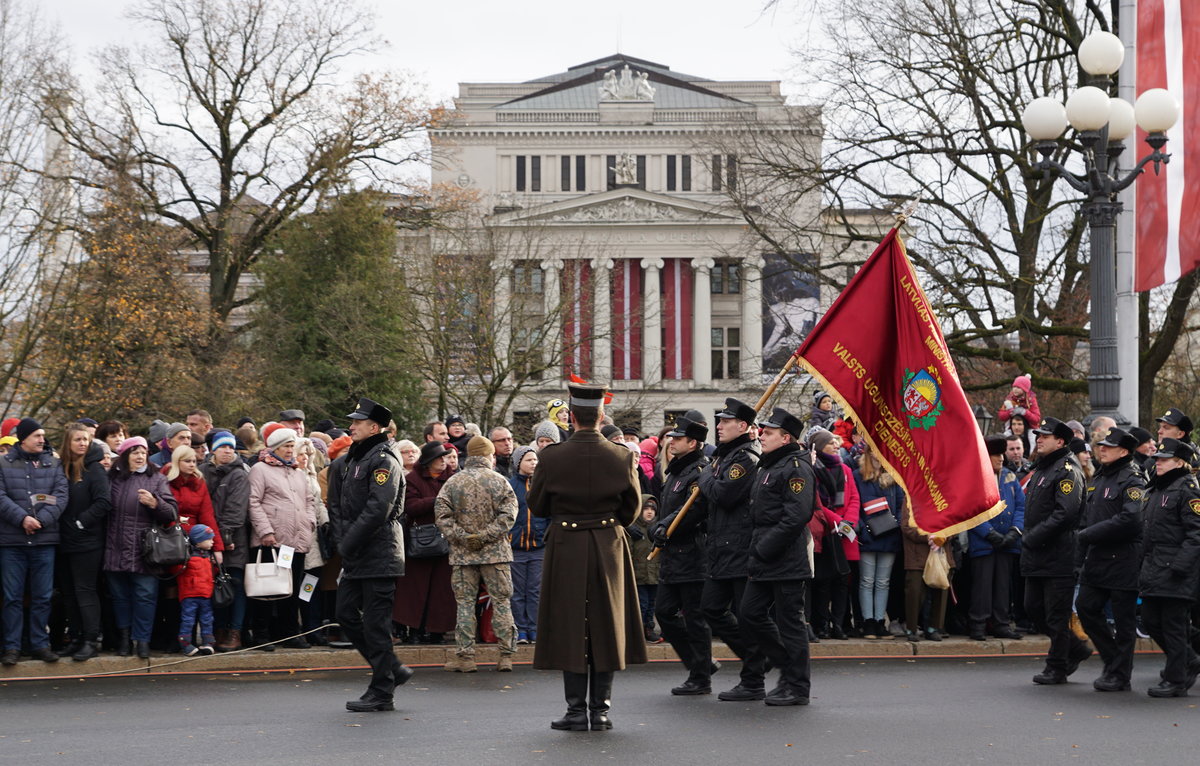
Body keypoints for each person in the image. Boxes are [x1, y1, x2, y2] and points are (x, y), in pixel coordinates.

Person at [529, 382, 645, 732]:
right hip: (609, 543)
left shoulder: (550, 457)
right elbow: (633, 508)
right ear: (600, 416)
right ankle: (601, 711)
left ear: (572, 418)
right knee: (607, 624)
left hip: (567, 543)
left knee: (569, 623)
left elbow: (537, 504)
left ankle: (576, 711)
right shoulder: (622, 455)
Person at [329, 397, 412, 712]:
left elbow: (379, 509)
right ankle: (391, 668)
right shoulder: (356, 457)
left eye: (357, 423)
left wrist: (348, 542)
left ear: (374, 427)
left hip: (379, 553)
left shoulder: (384, 459)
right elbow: (338, 505)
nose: (351, 427)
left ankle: (382, 691)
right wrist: (343, 541)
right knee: (345, 614)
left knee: (376, 625)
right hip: (357, 554)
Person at [739, 406, 817, 706]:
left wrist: (764, 547)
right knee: (750, 613)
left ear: (786, 438)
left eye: (769, 432)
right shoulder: (769, 465)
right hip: (764, 555)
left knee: (790, 623)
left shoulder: (796, 468)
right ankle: (786, 664)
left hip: (785, 557)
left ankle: (797, 686)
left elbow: (796, 516)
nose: (762, 435)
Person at [697, 397, 769, 700]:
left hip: (739, 548)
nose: (719, 426)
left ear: (743, 426)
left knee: (746, 615)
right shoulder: (725, 457)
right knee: (712, 608)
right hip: (721, 547)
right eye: (719, 420)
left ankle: (753, 679)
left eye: (726, 422)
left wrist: (704, 477)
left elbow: (725, 494)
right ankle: (758, 658)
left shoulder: (746, 458)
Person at [435, 436, 519, 672]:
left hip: (463, 555)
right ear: (489, 456)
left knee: (464, 604)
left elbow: (442, 517)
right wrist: (485, 536)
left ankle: (466, 657)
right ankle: (505, 656)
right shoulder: (500, 482)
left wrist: (464, 537)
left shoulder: (452, 483)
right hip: (496, 554)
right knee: (502, 602)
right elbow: (508, 516)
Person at [1075, 427, 1145, 692]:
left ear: (1124, 451)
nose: (1101, 449)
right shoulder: (1100, 476)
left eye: (1108, 446)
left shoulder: (1132, 479)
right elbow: (1087, 516)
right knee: (1086, 607)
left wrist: (1089, 535)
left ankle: (1120, 674)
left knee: (1124, 621)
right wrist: (1080, 551)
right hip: (1097, 558)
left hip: (1123, 558)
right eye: (1101, 445)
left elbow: (1131, 519)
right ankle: (1113, 660)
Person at [1022, 417, 1091, 685]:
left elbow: (1065, 513)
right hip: (1037, 553)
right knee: (1033, 609)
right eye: (1038, 435)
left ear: (1060, 441)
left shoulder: (1067, 470)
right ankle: (1076, 647)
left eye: (1045, 436)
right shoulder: (1043, 468)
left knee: (1056, 614)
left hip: (1059, 554)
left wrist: (1035, 536)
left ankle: (1058, 665)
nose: (1038, 439)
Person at [650, 413, 714, 696]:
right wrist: (658, 527)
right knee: (664, 612)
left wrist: (664, 526)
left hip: (692, 554)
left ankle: (700, 677)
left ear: (694, 442)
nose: (671, 442)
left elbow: (694, 510)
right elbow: (668, 511)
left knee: (695, 618)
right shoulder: (675, 470)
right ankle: (699, 663)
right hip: (672, 555)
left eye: (678, 438)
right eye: (671, 437)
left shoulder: (701, 471)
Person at [0, 418, 70, 665]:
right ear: (23, 438)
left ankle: (40, 644)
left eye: (43, 435)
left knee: (43, 596)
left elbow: (61, 496)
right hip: (12, 542)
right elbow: (1, 496)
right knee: (12, 598)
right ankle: (12, 647)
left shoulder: (53, 463)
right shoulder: (3, 463)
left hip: (44, 541)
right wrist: (23, 519)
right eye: (37, 436)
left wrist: (40, 520)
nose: (42, 440)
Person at [1135, 438, 1200, 697]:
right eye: (1158, 458)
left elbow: (1196, 533)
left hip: (1176, 571)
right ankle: (1189, 659)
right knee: (1151, 620)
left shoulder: (1187, 489)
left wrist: (1180, 567)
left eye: (1165, 459)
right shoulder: (1159, 488)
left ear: (1180, 462)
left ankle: (1175, 680)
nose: (1158, 463)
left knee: (1173, 625)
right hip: (1155, 567)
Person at [104, 436, 178, 659]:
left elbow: (171, 512)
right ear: (125, 455)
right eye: (134, 452)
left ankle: (143, 641)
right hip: (114, 546)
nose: (139, 456)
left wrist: (156, 503)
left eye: (143, 452)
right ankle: (125, 640)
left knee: (145, 597)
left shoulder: (156, 478)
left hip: (145, 550)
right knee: (119, 597)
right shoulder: (112, 478)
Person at [247, 423, 317, 649]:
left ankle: (289, 634)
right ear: (275, 448)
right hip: (271, 540)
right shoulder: (260, 469)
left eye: (292, 446)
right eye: (286, 446)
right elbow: (253, 501)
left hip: (295, 542)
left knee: (292, 589)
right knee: (267, 590)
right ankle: (261, 635)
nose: (290, 450)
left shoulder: (298, 472)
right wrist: (265, 531)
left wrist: (310, 523)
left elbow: (309, 501)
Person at [56, 425, 113, 661]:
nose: (82, 443)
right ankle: (76, 637)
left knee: (85, 590)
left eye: (86, 440)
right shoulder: (62, 469)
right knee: (68, 593)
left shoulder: (94, 470)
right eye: (78, 439)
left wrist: (81, 523)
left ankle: (91, 639)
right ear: (68, 443)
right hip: (63, 540)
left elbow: (103, 502)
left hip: (87, 542)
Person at [393, 441, 457, 643]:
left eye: (444, 457)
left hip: (446, 541)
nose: (443, 461)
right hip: (420, 542)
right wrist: (437, 500)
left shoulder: (453, 479)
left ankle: (437, 630)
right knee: (414, 589)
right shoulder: (412, 479)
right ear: (429, 462)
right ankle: (414, 629)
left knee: (442, 590)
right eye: (440, 458)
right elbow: (410, 506)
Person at [966, 435, 1024, 640]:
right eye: (995, 455)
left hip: (1007, 542)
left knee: (1002, 586)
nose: (1001, 458)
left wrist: (1014, 532)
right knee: (982, 586)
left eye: (1001, 454)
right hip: (984, 543)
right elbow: (972, 510)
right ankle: (978, 624)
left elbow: (1020, 506)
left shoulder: (1010, 477)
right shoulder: (975, 477)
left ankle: (1001, 623)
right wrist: (989, 533)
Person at [808, 428, 861, 639]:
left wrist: (849, 522)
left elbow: (855, 497)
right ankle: (822, 624)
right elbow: (817, 503)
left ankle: (838, 624)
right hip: (827, 531)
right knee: (823, 582)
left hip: (845, 533)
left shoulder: (845, 469)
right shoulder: (813, 469)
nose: (837, 446)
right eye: (831, 443)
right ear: (820, 447)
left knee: (842, 581)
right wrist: (838, 522)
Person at [201, 430, 251, 652]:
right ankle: (218, 629)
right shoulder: (203, 471)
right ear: (214, 449)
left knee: (236, 585)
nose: (228, 451)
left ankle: (235, 631)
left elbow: (236, 510)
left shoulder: (239, 474)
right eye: (223, 447)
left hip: (233, 540)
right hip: (207, 539)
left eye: (231, 447)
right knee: (215, 586)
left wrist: (224, 537)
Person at [854, 443, 905, 641]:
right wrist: (861, 528)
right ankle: (868, 622)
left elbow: (901, 506)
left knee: (883, 582)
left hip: (889, 536)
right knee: (867, 580)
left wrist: (897, 524)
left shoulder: (893, 477)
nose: (878, 456)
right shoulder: (858, 475)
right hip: (867, 536)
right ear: (867, 453)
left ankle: (879, 621)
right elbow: (855, 504)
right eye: (874, 452)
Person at [508, 445, 546, 644]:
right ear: (518, 463)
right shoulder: (510, 485)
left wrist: (545, 534)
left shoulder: (543, 485)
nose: (533, 463)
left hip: (539, 548)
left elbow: (549, 513)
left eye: (535, 460)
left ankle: (535, 628)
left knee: (535, 591)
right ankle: (520, 630)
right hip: (516, 548)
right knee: (516, 592)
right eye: (529, 460)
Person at [176, 523, 217, 656]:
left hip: (206, 594)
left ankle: (208, 642)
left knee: (207, 619)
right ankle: (185, 642)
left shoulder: (209, 557)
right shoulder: (186, 556)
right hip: (190, 594)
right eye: (209, 539)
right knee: (188, 619)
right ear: (198, 541)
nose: (212, 542)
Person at [628, 496, 661, 642]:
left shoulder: (658, 529)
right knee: (642, 604)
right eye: (646, 509)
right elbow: (629, 551)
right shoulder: (634, 530)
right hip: (638, 574)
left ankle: (649, 628)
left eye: (652, 509)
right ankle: (638, 630)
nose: (649, 512)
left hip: (654, 574)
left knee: (651, 605)